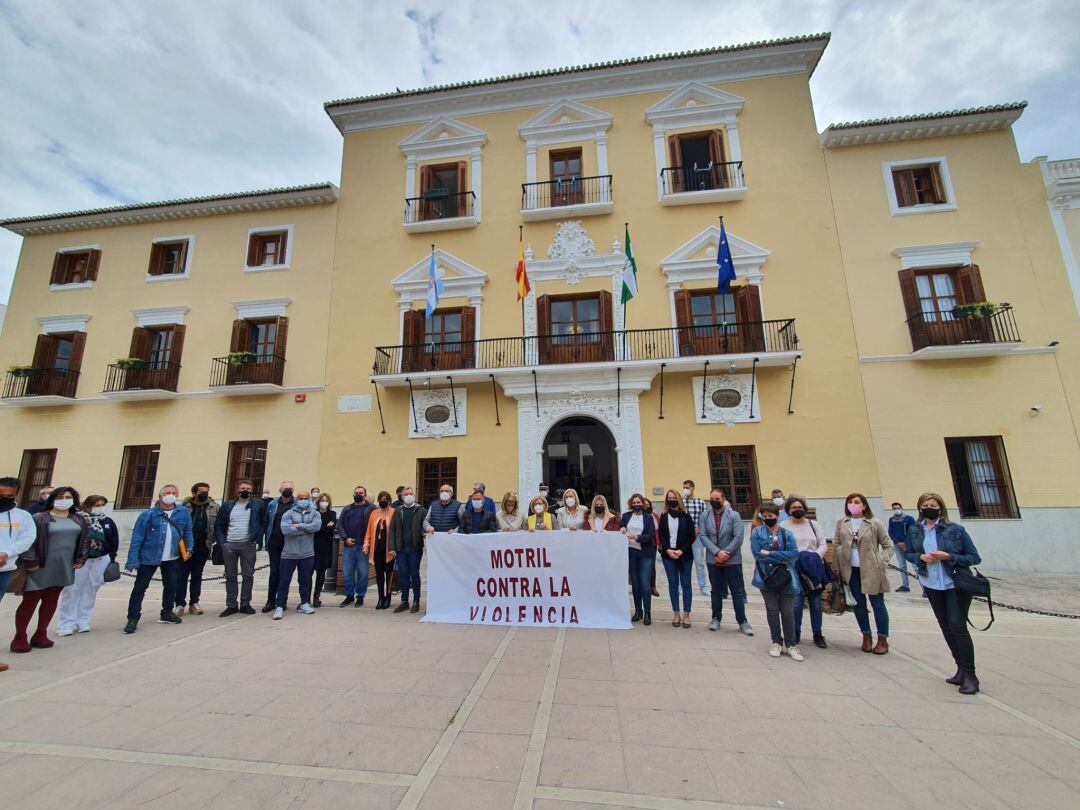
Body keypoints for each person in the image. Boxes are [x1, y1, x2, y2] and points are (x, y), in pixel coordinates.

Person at [905, 492, 983, 695]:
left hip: (954, 584)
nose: (928, 507)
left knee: (957, 626)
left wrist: (949, 556)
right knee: (946, 627)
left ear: (940, 507)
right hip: (931, 584)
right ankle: (960, 668)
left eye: (932, 504)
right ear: (919, 508)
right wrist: (920, 556)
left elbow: (974, 557)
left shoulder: (955, 529)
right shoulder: (915, 530)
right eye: (924, 505)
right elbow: (909, 553)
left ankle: (970, 675)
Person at [11, 485, 88, 653]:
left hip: (64, 565)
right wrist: (31, 561)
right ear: (52, 499)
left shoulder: (78, 519)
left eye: (68, 497)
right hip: (40, 565)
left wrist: (80, 559)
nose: (64, 500)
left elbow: (83, 541)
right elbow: (28, 540)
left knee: (51, 600)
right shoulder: (39, 517)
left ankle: (40, 634)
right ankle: (20, 637)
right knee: (30, 601)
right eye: (60, 497)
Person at [124, 484, 194, 634]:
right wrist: (132, 560)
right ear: (160, 495)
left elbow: (188, 531)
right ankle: (133, 617)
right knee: (140, 588)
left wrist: (188, 549)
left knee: (171, 586)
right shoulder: (148, 515)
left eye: (174, 493)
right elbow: (137, 538)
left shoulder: (183, 512)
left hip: (173, 556)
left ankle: (167, 612)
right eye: (168, 492)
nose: (171, 495)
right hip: (149, 557)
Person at [835, 492, 892, 655]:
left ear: (864, 505)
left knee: (877, 604)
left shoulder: (874, 523)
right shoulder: (842, 522)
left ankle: (882, 639)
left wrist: (880, 561)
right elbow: (837, 543)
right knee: (858, 604)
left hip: (871, 569)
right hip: (850, 569)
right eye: (850, 502)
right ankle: (866, 636)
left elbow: (888, 545)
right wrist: (837, 566)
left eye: (857, 502)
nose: (853, 504)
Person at [57, 495, 118, 635]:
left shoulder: (106, 521)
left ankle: (83, 620)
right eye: (97, 504)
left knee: (91, 590)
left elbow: (114, 540)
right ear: (88, 505)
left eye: (102, 504)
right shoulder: (77, 519)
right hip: (80, 560)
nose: (100, 507)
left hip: (100, 559)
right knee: (72, 590)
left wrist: (112, 557)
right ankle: (65, 623)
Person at [697, 488, 753, 637]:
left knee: (737, 591)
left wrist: (725, 553)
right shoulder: (704, 515)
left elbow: (738, 537)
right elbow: (703, 535)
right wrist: (716, 552)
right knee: (715, 590)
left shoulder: (734, 515)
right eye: (712, 499)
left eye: (717, 498)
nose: (714, 501)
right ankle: (716, 618)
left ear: (723, 499)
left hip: (732, 559)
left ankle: (742, 621)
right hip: (713, 559)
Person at [751, 502, 803, 661]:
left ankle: (791, 644)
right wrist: (780, 555)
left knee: (788, 611)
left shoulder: (787, 534)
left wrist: (770, 554)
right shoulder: (757, 533)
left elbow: (793, 554)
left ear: (777, 516)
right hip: (766, 577)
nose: (767, 519)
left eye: (770, 516)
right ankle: (776, 642)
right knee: (772, 611)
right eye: (764, 516)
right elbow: (757, 554)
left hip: (786, 576)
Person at [0, 477, 38, 669]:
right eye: (1, 495)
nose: (5, 498)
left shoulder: (22, 516)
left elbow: (28, 537)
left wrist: (7, 553)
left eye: (10, 496)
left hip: (4, 569)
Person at [782, 494, 828, 649]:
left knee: (816, 603)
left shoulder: (813, 525)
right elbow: (782, 545)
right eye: (794, 507)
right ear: (789, 509)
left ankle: (817, 633)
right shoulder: (784, 525)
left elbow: (823, 543)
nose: (797, 509)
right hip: (794, 568)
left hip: (813, 567)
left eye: (800, 507)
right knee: (796, 603)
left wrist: (814, 556)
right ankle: (795, 632)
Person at [214, 478, 265, 617]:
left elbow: (263, 523)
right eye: (243, 488)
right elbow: (219, 525)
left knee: (248, 575)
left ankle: (245, 603)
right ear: (237, 489)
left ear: (252, 491)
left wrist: (256, 539)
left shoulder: (258, 504)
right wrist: (222, 543)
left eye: (248, 489)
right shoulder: (227, 505)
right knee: (230, 576)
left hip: (248, 544)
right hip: (229, 543)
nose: (245, 491)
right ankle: (231, 604)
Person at [273, 490, 319, 619]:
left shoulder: (314, 513)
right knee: (284, 581)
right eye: (301, 498)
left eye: (306, 498)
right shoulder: (289, 513)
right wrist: (305, 529)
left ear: (309, 499)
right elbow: (285, 530)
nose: (303, 500)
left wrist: (298, 525)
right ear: (296, 499)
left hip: (307, 553)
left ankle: (304, 603)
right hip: (289, 554)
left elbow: (316, 527)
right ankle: (280, 606)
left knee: (305, 580)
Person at [176, 482, 218, 616]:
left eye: (207, 491)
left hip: (203, 546)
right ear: (194, 493)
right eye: (201, 492)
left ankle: (194, 602)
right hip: (185, 547)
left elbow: (218, 525)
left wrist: (211, 542)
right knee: (182, 575)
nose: (204, 494)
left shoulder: (214, 507)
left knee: (197, 575)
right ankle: (179, 603)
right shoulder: (183, 507)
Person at [658, 489, 695, 628]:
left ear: (678, 499)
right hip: (668, 555)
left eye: (674, 497)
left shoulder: (685, 515)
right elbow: (661, 535)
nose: (671, 499)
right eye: (669, 497)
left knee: (686, 585)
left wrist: (681, 550)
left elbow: (692, 535)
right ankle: (676, 614)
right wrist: (667, 549)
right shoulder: (664, 515)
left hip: (684, 555)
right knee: (673, 584)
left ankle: (687, 615)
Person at [262, 481, 296, 612]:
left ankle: (282, 600)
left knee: (285, 573)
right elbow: (267, 522)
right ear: (280, 489)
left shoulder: (296, 504)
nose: (287, 490)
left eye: (290, 488)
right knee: (274, 572)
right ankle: (270, 600)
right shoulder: (272, 504)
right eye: (285, 488)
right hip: (274, 543)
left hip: (289, 544)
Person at [389, 485, 424, 613]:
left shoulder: (420, 510)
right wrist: (392, 547)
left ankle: (416, 600)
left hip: (415, 548)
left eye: (411, 494)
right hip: (401, 548)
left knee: (414, 575)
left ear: (414, 495)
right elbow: (392, 530)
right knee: (403, 575)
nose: (408, 496)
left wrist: (424, 533)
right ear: (402, 496)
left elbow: (424, 525)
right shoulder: (398, 510)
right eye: (406, 494)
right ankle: (404, 600)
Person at [622, 493, 655, 625]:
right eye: (634, 502)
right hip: (630, 553)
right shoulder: (626, 516)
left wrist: (637, 537)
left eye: (639, 502)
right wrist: (622, 528)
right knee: (635, 584)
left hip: (645, 554)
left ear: (642, 503)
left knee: (645, 584)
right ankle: (638, 610)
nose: (637, 504)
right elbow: (621, 528)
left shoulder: (648, 518)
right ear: (631, 503)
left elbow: (651, 535)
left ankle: (647, 612)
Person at [336, 486, 372, 607]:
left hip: (363, 546)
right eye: (356, 493)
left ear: (365, 495)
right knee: (347, 572)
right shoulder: (347, 508)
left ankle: (360, 596)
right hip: (349, 545)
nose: (358, 494)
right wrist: (345, 538)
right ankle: (349, 596)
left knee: (363, 572)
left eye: (360, 493)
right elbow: (339, 523)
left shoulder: (371, 508)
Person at [365, 491, 395, 609]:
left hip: (389, 550)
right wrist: (366, 544)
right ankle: (380, 598)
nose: (383, 501)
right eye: (381, 499)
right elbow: (369, 530)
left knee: (389, 574)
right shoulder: (373, 513)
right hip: (377, 549)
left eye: (385, 499)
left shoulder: (394, 512)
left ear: (389, 501)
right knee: (379, 575)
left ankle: (388, 598)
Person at [682, 480, 709, 596]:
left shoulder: (700, 502)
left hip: (697, 537)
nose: (685, 489)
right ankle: (680, 587)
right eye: (684, 487)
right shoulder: (680, 502)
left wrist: (699, 529)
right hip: (683, 538)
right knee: (682, 562)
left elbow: (704, 518)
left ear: (693, 488)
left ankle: (703, 587)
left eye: (687, 487)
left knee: (699, 563)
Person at [313, 491, 337, 607]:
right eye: (322, 500)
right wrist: (323, 526)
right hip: (312, 545)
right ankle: (306, 596)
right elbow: (312, 528)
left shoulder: (332, 514)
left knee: (321, 573)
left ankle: (316, 596)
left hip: (325, 546)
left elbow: (330, 529)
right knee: (308, 573)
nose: (324, 503)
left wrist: (319, 527)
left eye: (326, 501)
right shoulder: (313, 513)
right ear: (318, 502)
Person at [888, 501, 917, 592]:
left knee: (915, 566)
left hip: (909, 545)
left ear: (901, 508)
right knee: (902, 565)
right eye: (895, 508)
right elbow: (891, 532)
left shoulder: (909, 519)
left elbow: (913, 531)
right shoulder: (891, 520)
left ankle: (925, 589)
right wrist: (897, 542)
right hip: (897, 545)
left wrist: (906, 542)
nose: (897, 510)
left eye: (898, 508)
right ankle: (905, 585)